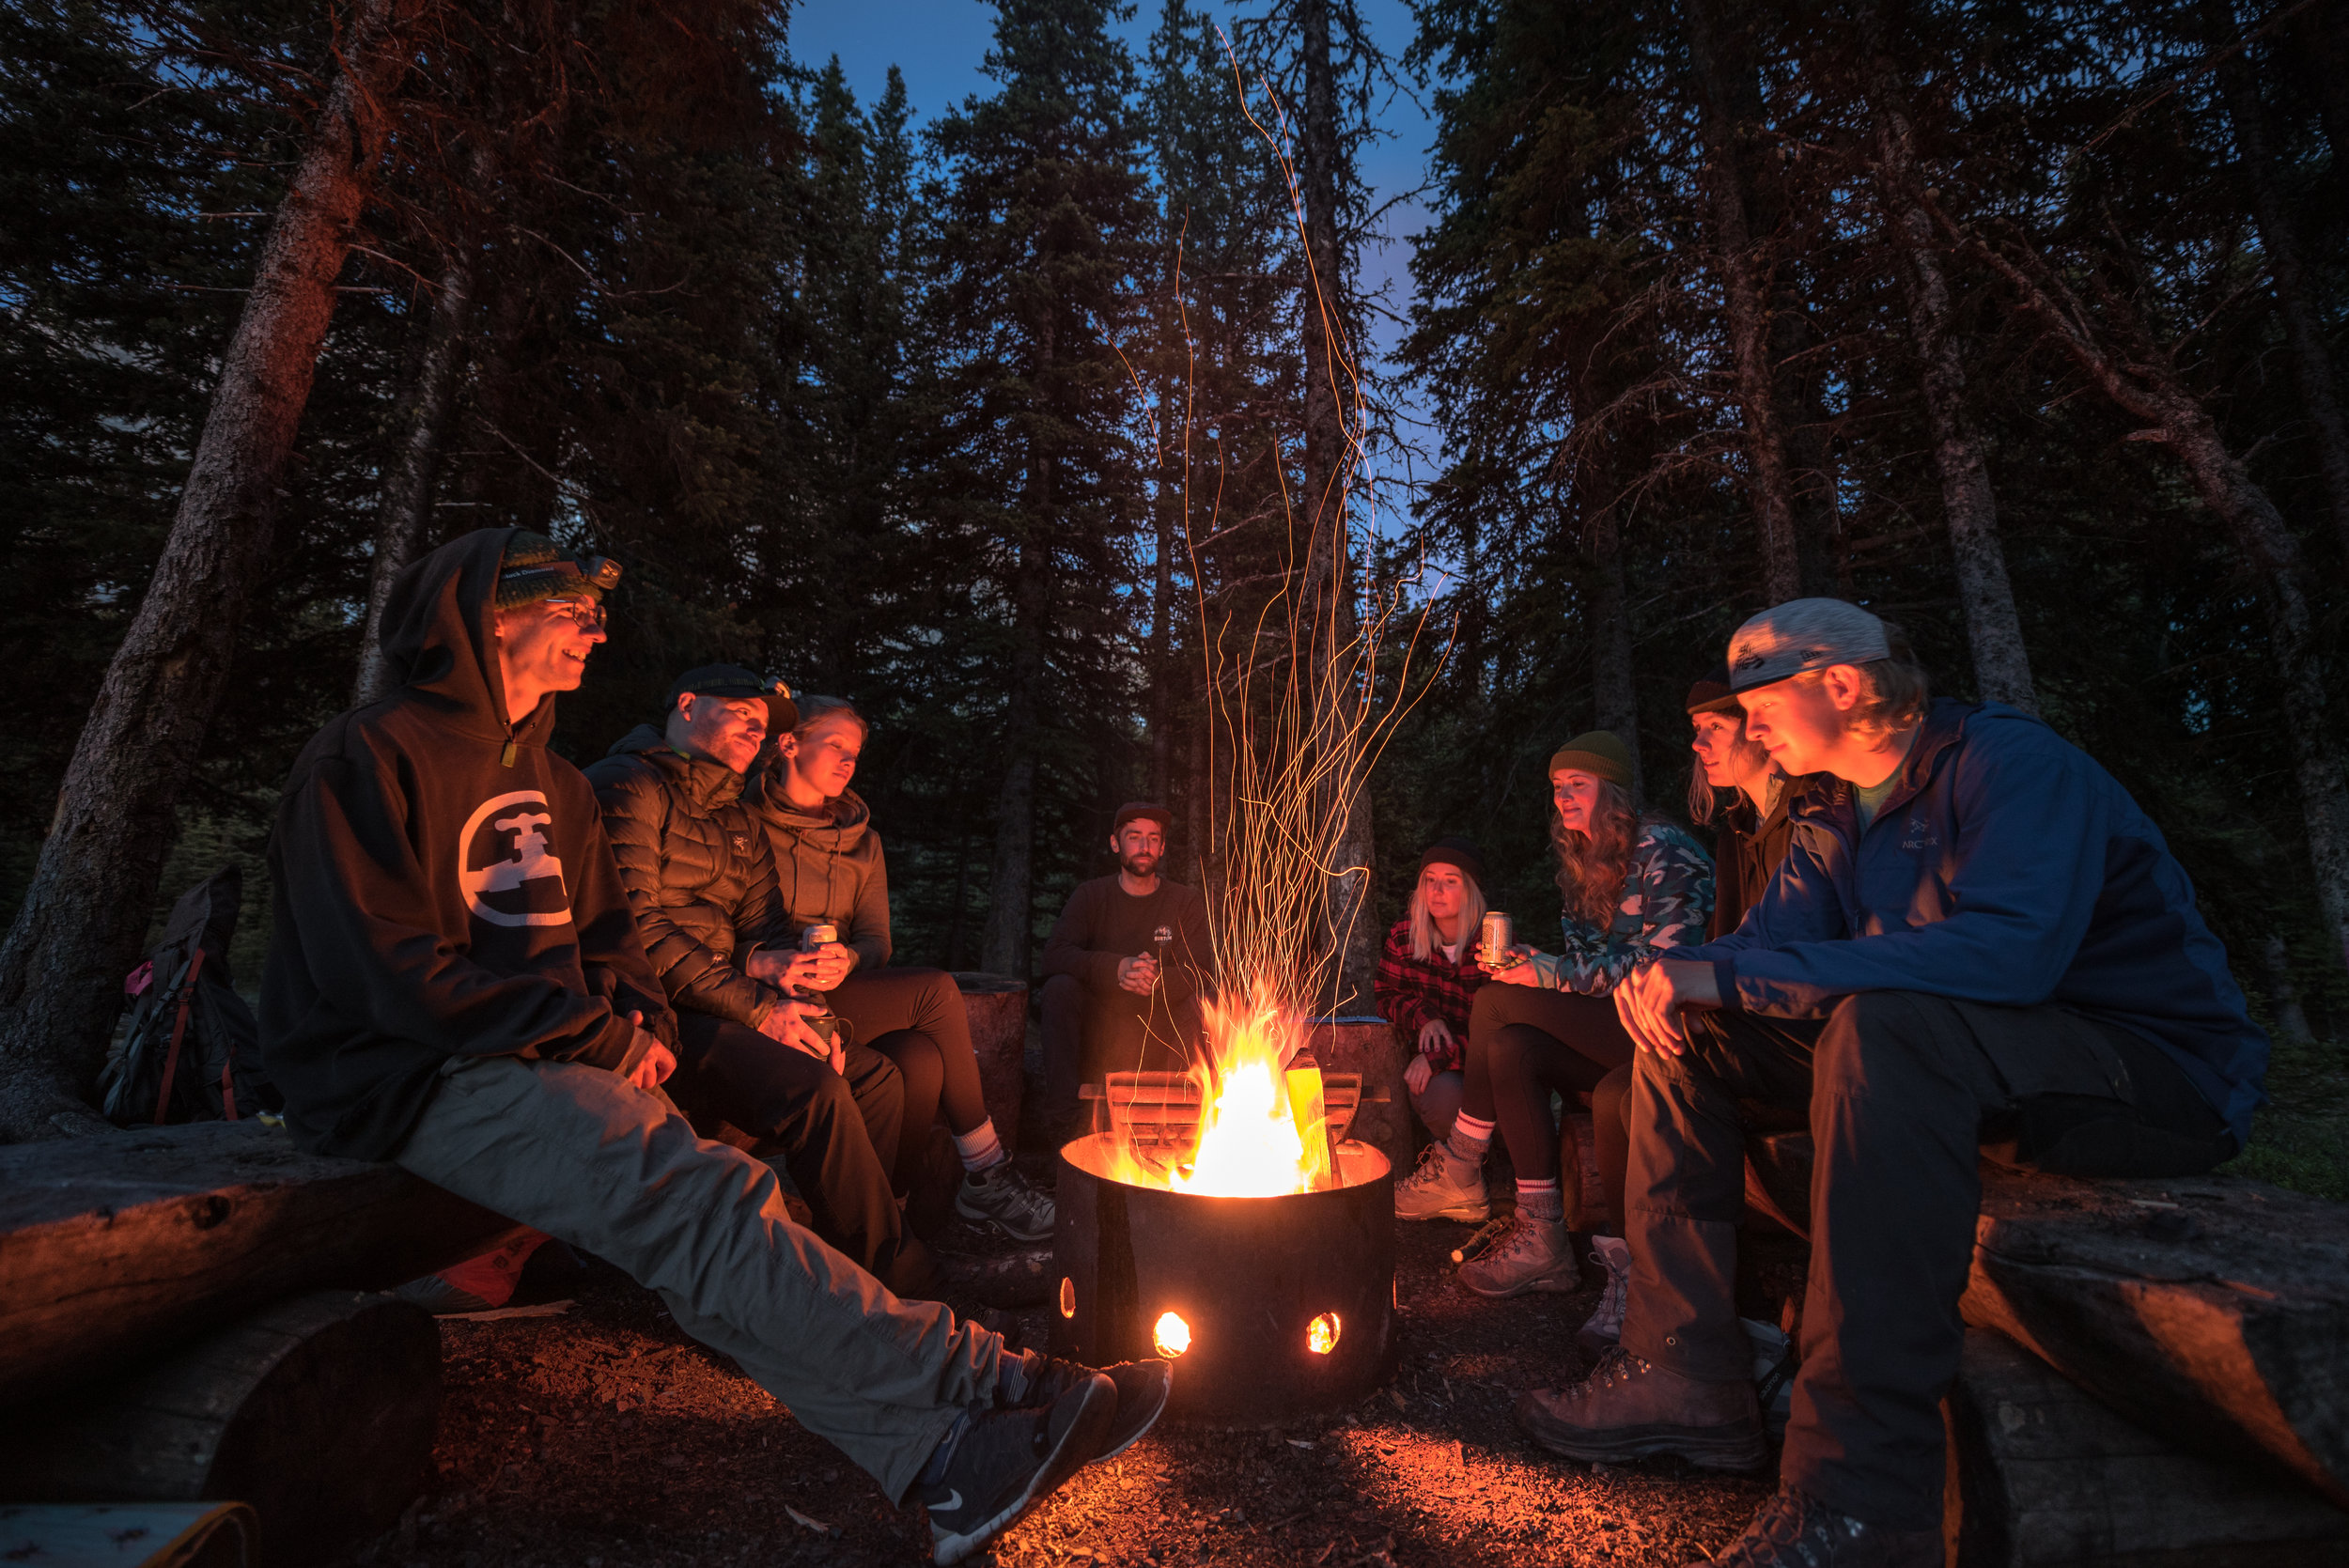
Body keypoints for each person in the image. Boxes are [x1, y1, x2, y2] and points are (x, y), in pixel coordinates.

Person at [259, 529, 1167, 1566]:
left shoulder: (554, 782)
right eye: (572, 610)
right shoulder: (368, 757)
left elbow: (609, 939)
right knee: (698, 1197)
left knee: (727, 1190)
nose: (596, 630)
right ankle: (956, 1430)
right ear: (488, 614)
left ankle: (982, 1396)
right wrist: (594, 1031)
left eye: (599, 614)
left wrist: (639, 1022)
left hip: (546, 1058)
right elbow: (378, 969)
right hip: (408, 1072)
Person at [1517, 598, 2266, 1568]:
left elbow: (2010, 958)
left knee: (1880, 1026)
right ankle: (1683, 1374)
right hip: (1967, 1061)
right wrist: (1683, 982)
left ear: (1843, 683)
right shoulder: (1834, 808)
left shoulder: (2008, 767)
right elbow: (1765, 949)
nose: (1745, 727)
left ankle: (1862, 1493)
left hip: (2140, 1068)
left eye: (1758, 701)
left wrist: (1733, 974)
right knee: (1683, 1038)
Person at [583, 665, 938, 1297]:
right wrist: (759, 1009)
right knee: (816, 1090)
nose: (755, 730)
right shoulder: (628, 785)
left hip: (727, 1005)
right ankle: (895, 1281)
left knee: (877, 1078)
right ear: (687, 704)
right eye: (742, 715)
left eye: (763, 725)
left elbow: (767, 927)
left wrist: (806, 1008)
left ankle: (837, 1264)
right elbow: (637, 929)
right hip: (656, 1009)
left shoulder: (736, 820)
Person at [1392, 732, 1713, 1305]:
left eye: (1578, 786)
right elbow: (1586, 965)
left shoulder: (1663, 848)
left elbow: (1667, 967)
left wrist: (1549, 973)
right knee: (1514, 1045)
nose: (1564, 798)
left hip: (1670, 1029)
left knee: (1493, 1002)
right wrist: (1536, 965)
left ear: (1610, 791)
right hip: (1611, 1026)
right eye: (1558, 788)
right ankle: (1544, 1240)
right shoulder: (1582, 865)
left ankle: (1462, 1161)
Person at [745, 695, 1055, 1243]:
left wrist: (851, 958)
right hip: (766, 997)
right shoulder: (744, 825)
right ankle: (987, 1175)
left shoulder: (862, 842)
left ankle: (893, 1214)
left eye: (856, 753)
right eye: (835, 745)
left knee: (919, 1057)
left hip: (836, 989)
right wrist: (766, 964)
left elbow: (877, 941)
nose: (847, 761)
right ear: (789, 744)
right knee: (935, 992)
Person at [1582, 666, 1797, 1354]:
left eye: (1715, 728)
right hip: (1752, 1017)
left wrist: (1681, 984)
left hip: (1801, 1034)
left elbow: (1780, 948)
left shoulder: (1803, 821)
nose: (1699, 745)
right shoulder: (1741, 825)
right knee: (1618, 1092)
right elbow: (1733, 938)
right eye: (1695, 732)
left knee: (1646, 1079)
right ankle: (1649, 1287)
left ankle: (1696, 1331)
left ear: (1762, 729)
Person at [1036, 802, 1212, 1138]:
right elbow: (1054, 956)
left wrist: (1158, 980)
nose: (1144, 846)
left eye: (1153, 838)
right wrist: (1115, 968)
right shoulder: (1091, 896)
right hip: (1099, 1032)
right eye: (1134, 837)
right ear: (1116, 843)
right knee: (1059, 988)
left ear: (1161, 847)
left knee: (1203, 999)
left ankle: (1182, 1120)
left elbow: (1201, 971)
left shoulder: (1184, 901)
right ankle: (1064, 1123)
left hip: (1161, 1036)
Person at [1372, 837, 1491, 1141]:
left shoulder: (1493, 944)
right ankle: (1463, 1170)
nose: (1436, 891)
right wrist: (1426, 1016)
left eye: (1450, 882)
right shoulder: (1405, 937)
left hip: (1491, 1067)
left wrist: (1437, 1056)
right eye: (1430, 880)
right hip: (1445, 1079)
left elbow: (1499, 1034)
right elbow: (1386, 996)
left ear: (1470, 890)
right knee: (1442, 1096)